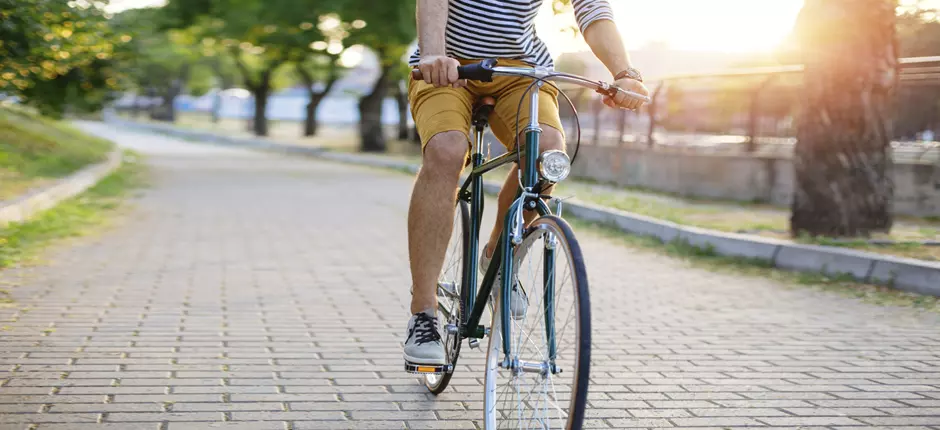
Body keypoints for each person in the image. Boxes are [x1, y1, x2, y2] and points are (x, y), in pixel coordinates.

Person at [403, 0, 649, 367]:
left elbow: (593, 9)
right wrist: (434, 54)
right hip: (447, 65)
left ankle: (498, 257)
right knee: (446, 150)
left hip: (519, 69)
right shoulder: (439, 58)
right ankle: (423, 313)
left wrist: (624, 72)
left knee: (547, 155)